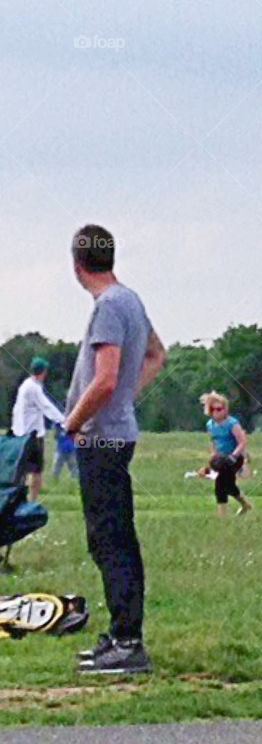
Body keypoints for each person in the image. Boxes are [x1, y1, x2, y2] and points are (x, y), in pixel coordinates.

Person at [64, 224, 166, 676]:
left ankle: (128, 640)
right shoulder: (132, 300)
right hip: (117, 432)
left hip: (100, 438)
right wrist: (128, 397)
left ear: (77, 264)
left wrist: (72, 421)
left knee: (109, 539)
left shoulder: (107, 307)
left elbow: (104, 379)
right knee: (114, 535)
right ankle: (122, 633)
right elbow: (155, 354)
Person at [11, 357, 65, 501]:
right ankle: (32, 500)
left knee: (20, 470)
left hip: (20, 433)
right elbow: (46, 407)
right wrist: (64, 421)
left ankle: (17, 499)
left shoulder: (25, 385)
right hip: (33, 435)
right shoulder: (34, 388)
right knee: (36, 471)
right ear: (44, 372)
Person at [200, 392, 252, 516]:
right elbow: (213, 441)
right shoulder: (210, 425)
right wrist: (214, 456)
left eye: (219, 409)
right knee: (228, 484)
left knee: (220, 484)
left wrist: (233, 456)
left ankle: (222, 516)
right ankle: (245, 504)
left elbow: (242, 441)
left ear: (225, 409)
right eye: (213, 409)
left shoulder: (232, 423)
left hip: (235, 458)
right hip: (221, 459)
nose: (217, 412)